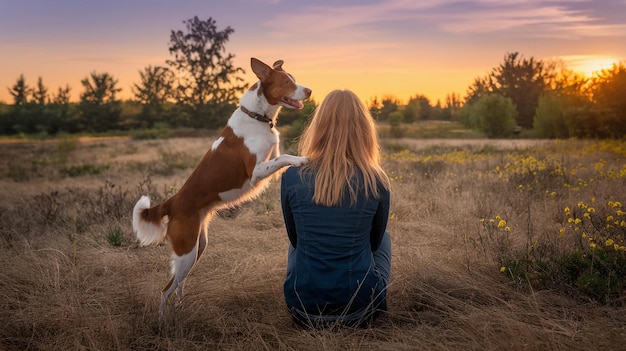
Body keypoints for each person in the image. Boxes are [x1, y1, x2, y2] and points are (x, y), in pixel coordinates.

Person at [280, 89, 392, 328]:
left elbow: (295, 239)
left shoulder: (292, 175)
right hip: (361, 307)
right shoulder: (376, 179)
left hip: (303, 309)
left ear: (319, 126)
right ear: (363, 128)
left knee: (299, 240)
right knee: (385, 240)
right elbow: (374, 242)